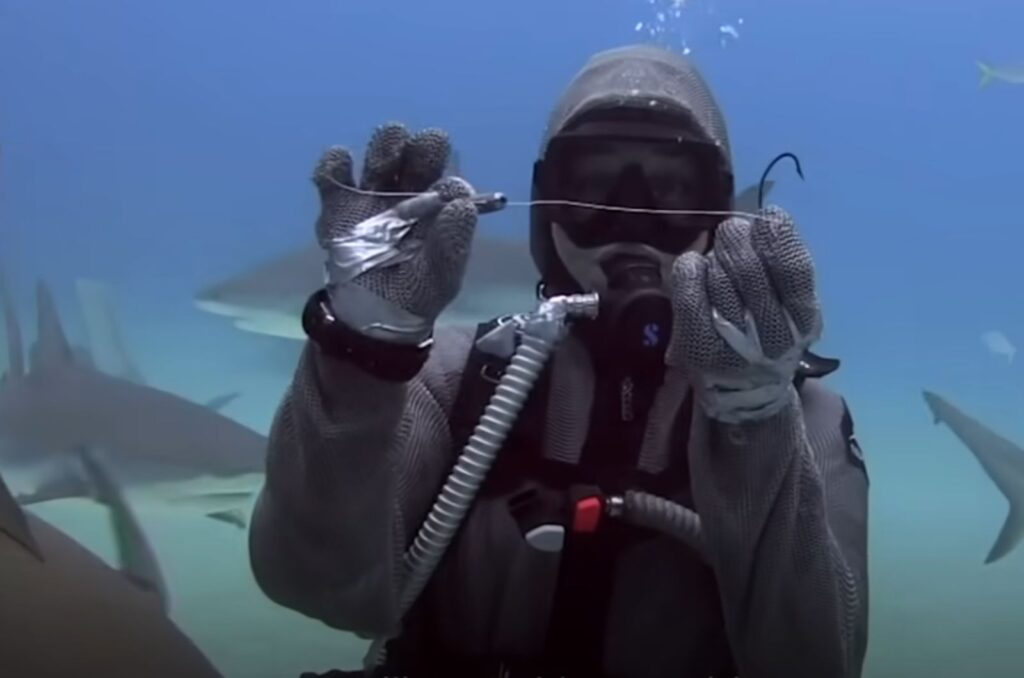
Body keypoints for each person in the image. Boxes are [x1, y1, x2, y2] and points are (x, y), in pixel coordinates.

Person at [248, 44, 869, 678]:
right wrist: (362, 352)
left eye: (676, 188)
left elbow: (818, 663)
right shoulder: (453, 380)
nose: (634, 220)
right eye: (594, 185)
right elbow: (312, 584)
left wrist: (754, 417)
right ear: (547, 207)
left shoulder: (803, 416)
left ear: (718, 211)